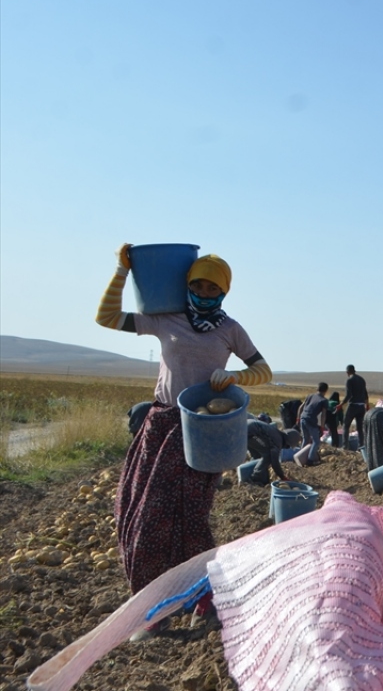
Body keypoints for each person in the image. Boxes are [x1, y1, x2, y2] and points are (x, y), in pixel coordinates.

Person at [95, 244, 271, 636]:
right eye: (199, 285)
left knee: (191, 517)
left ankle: (206, 600)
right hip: (161, 426)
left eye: (213, 288)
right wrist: (121, 271)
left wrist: (236, 378)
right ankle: (152, 606)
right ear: (188, 285)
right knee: (142, 511)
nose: (205, 293)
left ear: (223, 292)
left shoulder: (230, 330)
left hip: (202, 431)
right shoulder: (166, 319)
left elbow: (263, 370)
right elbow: (105, 317)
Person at [246, 418, 298, 486]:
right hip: (251, 432)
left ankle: (250, 474)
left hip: (246, 427)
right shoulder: (278, 442)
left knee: (257, 455)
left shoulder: (277, 434)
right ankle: (255, 478)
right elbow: (274, 462)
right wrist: (282, 476)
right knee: (268, 455)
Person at [295, 382, 329, 466]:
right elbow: (323, 415)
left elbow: (301, 407)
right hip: (310, 420)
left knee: (306, 438)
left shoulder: (310, 396)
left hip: (303, 417)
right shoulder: (324, 400)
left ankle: (299, 456)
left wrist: (298, 418)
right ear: (326, 390)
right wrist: (322, 426)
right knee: (316, 441)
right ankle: (310, 460)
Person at [342, 364, 369, 449]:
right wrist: (367, 405)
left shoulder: (349, 380)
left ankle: (345, 446)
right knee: (360, 428)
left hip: (353, 406)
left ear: (347, 372)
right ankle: (361, 446)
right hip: (361, 407)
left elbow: (348, 395)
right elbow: (365, 394)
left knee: (346, 426)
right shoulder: (361, 379)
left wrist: (341, 404)